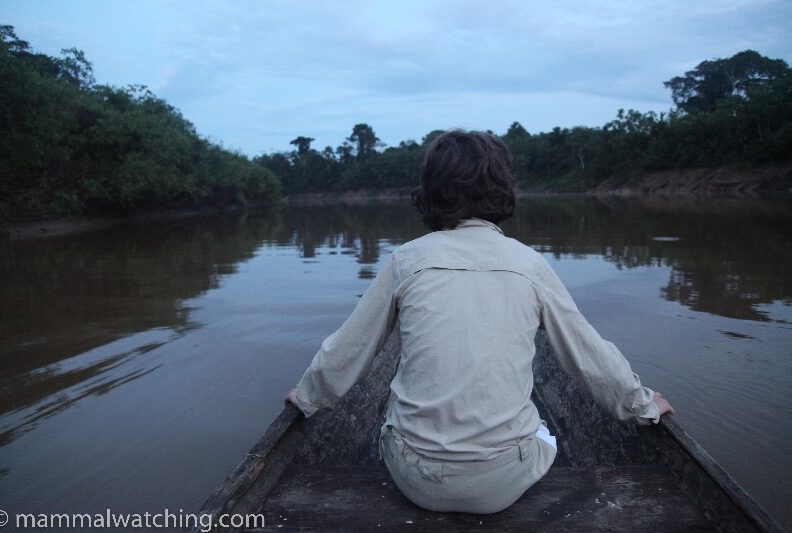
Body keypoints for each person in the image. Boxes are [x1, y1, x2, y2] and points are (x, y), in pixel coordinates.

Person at [284, 129, 675, 514]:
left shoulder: (406, 261)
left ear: (430, 192)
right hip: (503, 483)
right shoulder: (530, 265)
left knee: (395, 421)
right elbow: (589, 355)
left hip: (413, 477)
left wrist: (307, 396)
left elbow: (349, 348)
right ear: (503, 190)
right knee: (543, 434)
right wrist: (642, 405)